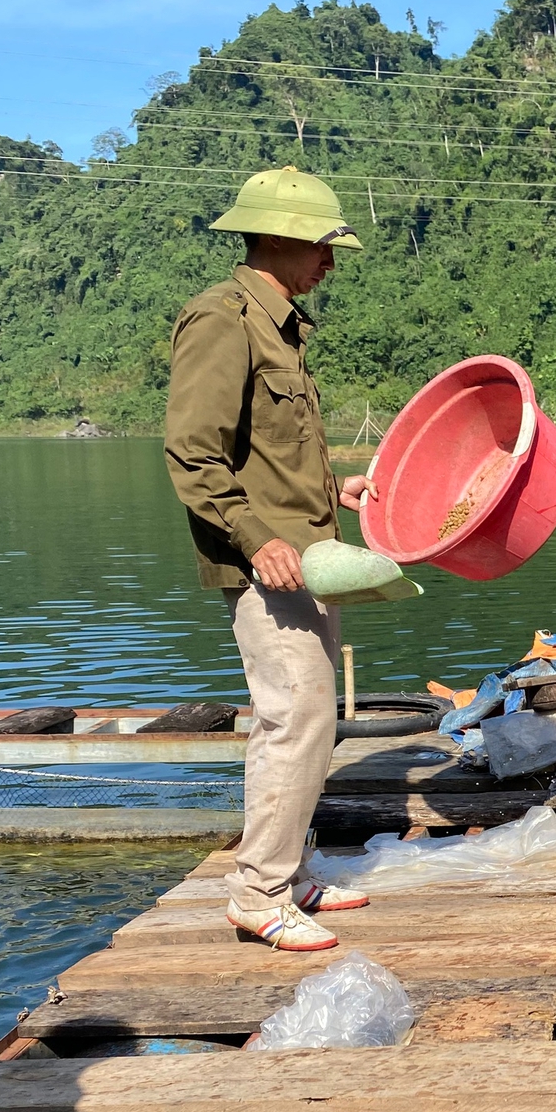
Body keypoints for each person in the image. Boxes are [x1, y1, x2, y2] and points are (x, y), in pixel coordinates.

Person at [164, 165, 375, 952]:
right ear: (282, 239)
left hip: (308, 556)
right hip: (268, 568)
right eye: (324, 246)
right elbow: (193, 454)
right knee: (295, 718)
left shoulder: (281, 324)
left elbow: (272, 452)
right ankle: (258, 894)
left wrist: (334, 489)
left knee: (313, 720)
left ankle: (288, 874)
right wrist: (261, 541)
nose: (330, 262)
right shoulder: (222, 320)